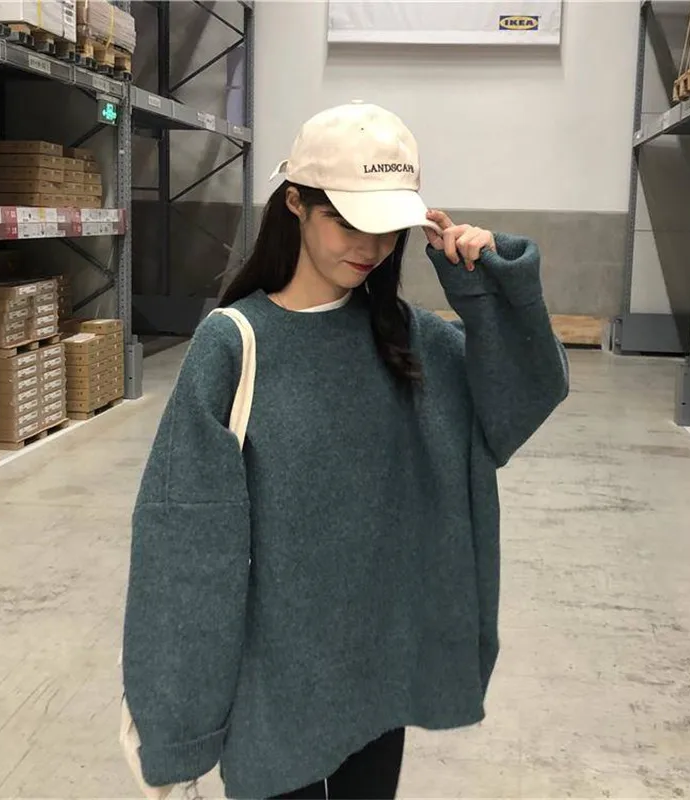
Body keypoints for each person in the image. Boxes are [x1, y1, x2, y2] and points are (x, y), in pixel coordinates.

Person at [122, 101, 569, 800]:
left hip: (377, 678)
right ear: (295, 203)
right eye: (347, 221)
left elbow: (522, 401)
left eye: (387, 228)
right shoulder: (235, 344)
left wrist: (488, 289)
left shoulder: (411, 340)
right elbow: (185, 546)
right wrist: (176, 722)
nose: (371, 246)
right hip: (275, 691)